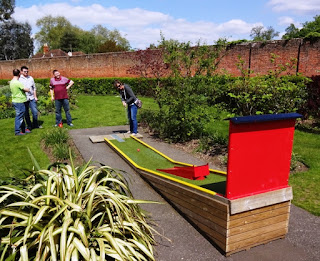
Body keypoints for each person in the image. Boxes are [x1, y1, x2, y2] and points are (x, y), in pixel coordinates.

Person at [10, 69, 30, 136]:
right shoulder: (17, 82)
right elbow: (26, 89)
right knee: (19, 116)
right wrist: (28, 88)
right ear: (19, 74)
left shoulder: (11, 82)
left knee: (21, 116)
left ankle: (23, 129)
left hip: (15, 100)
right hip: (19, 101)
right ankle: (17, 131)